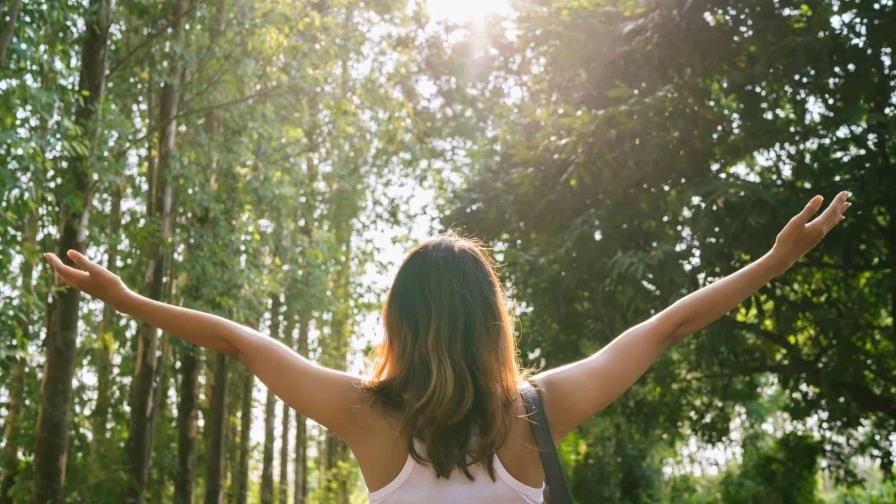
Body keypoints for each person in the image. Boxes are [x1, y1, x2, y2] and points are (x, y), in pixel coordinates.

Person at [44, 191, 852, 503]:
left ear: (399, 321)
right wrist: (775, 262)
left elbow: (238, 343)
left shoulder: (367, 416)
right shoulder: (539, 411)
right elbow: (666, 325)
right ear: (491, 321)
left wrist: (128, 300)